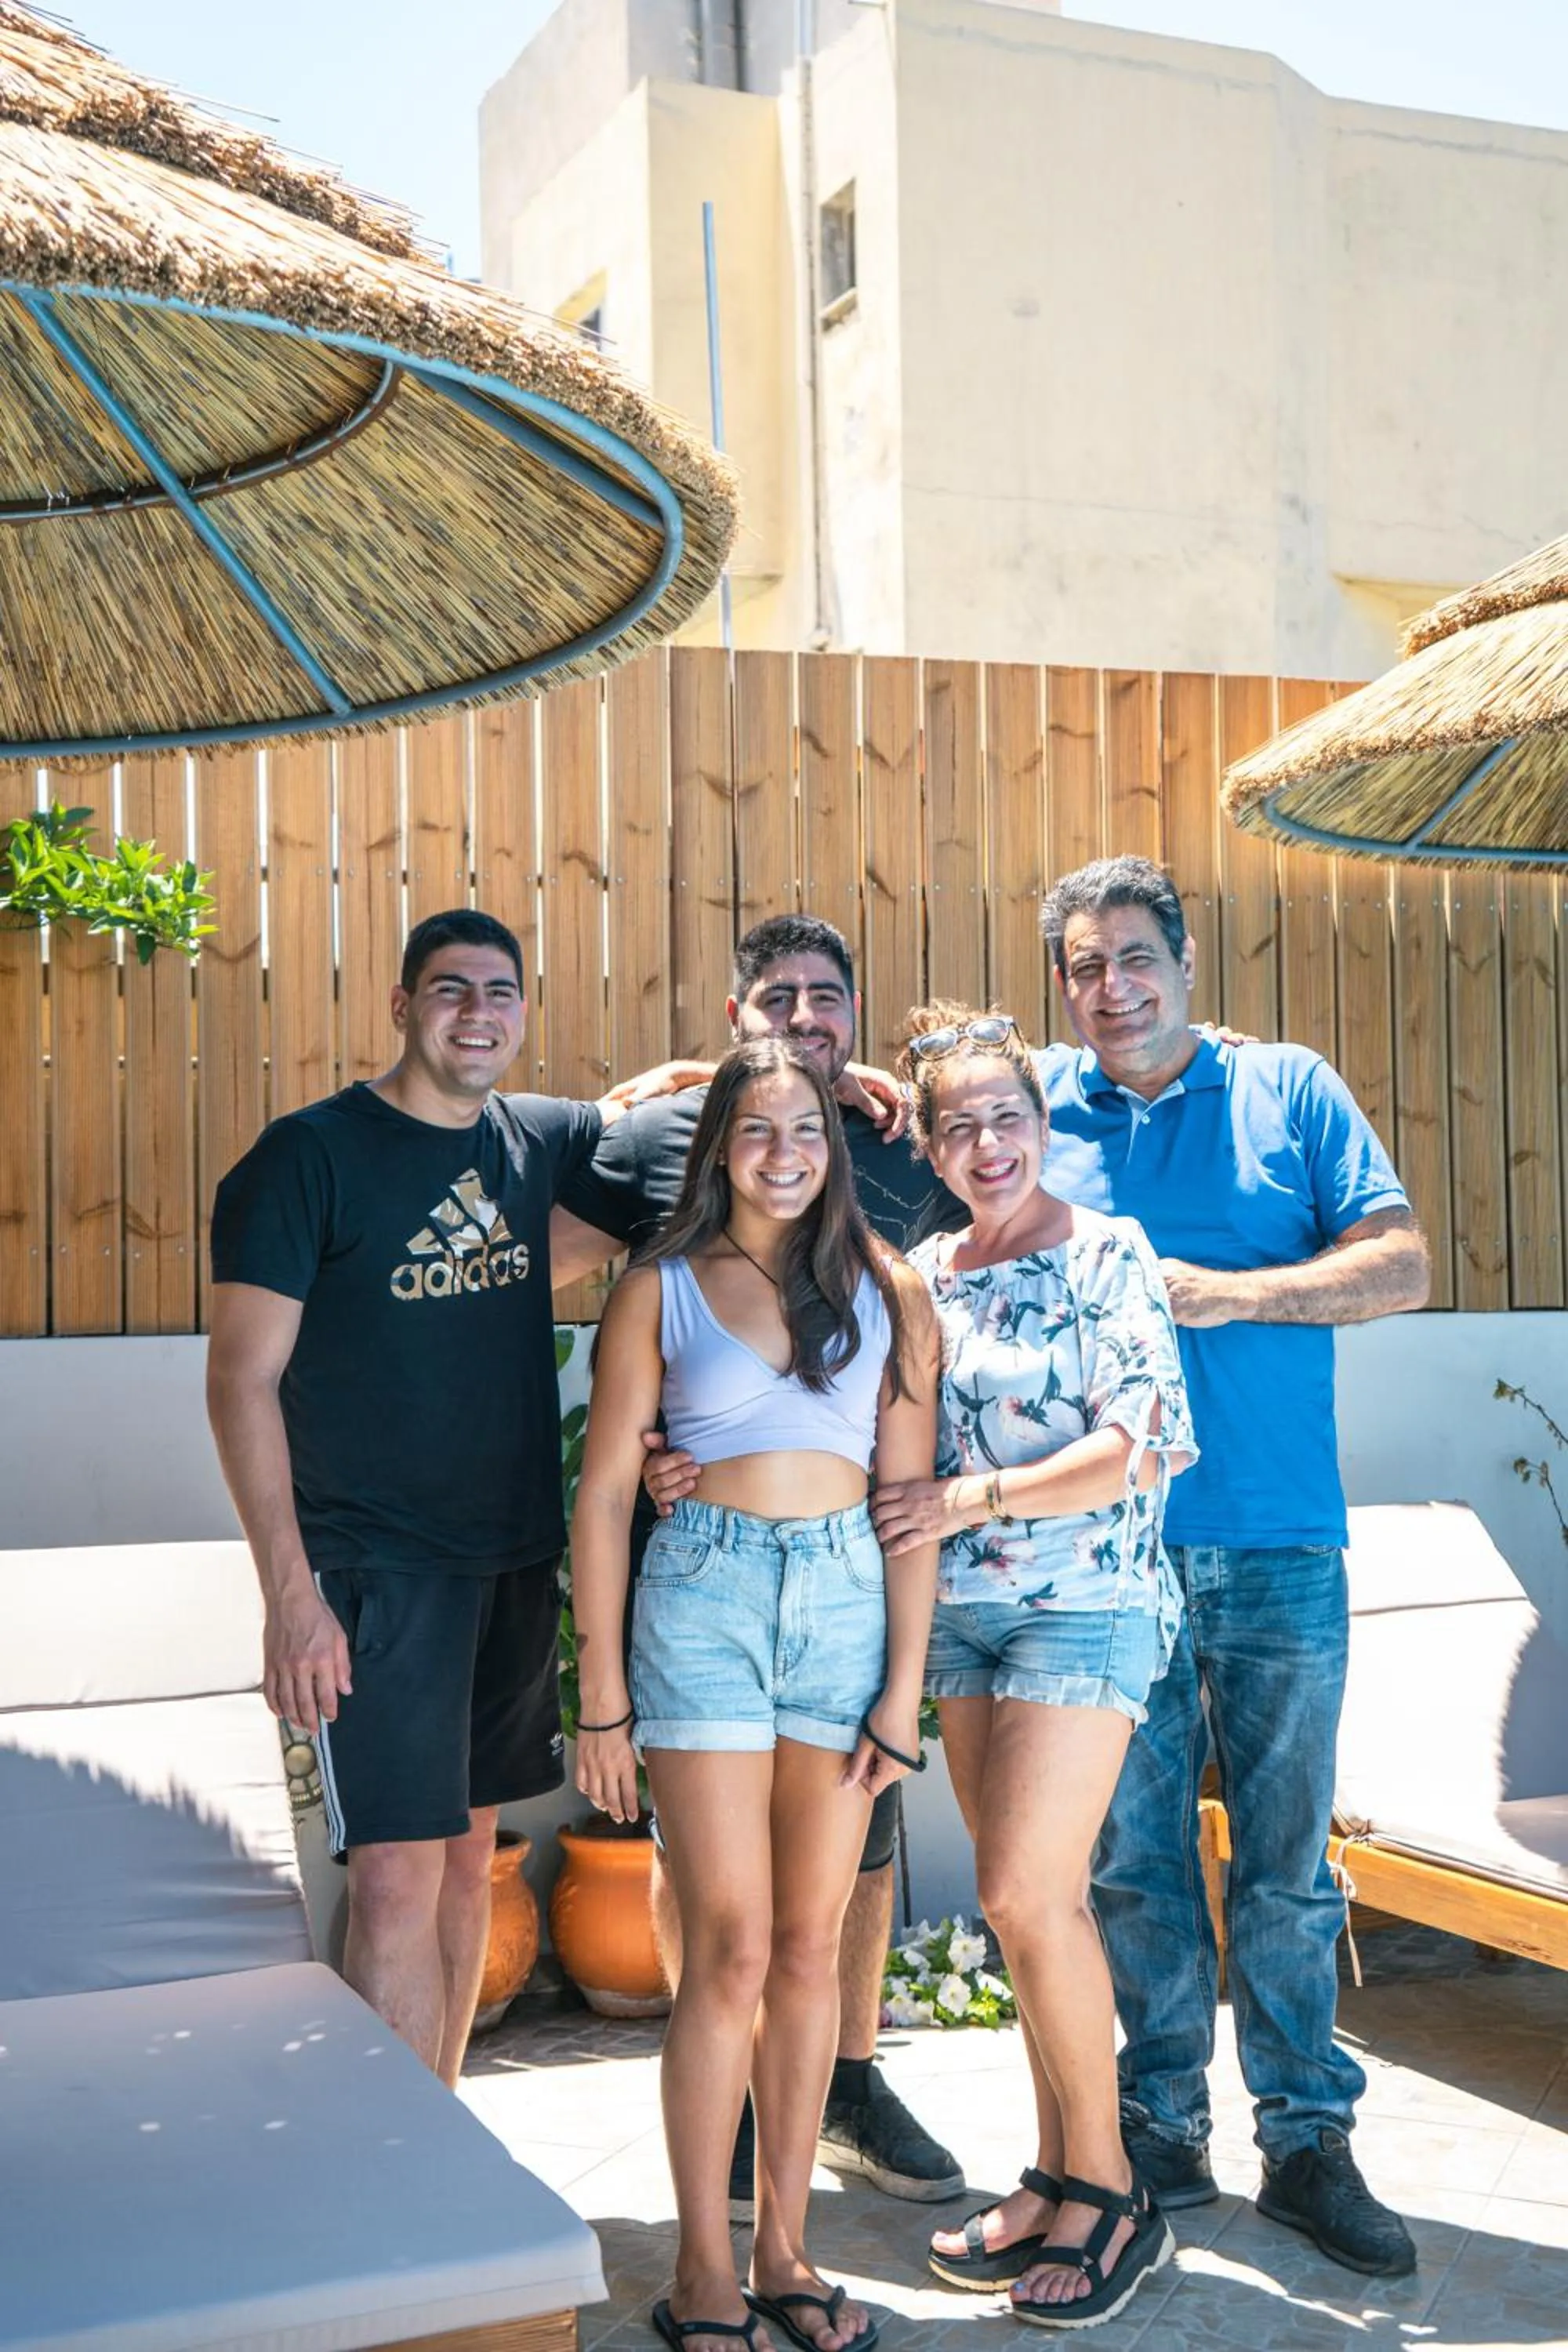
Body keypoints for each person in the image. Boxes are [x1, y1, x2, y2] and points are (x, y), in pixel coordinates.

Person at [1033, 856, 1431, 2278]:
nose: (1113, 986)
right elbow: (902, 1147)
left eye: (1134, 955)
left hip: (1276, 1545)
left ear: (1184, 959)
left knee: (1283, 1863)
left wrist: (1221, 1296)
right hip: (1105, 1559)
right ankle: (1159, 2130)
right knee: (1133, 1861)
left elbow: (1401, 1266)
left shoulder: (1290, 1092)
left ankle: (1308, 2139)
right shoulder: (1038, 1109)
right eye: (1083, 965)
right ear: (1062, 984)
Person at [550, 913, 967, 2209]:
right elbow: (602, 1456)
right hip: (708, 1580)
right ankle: (718, 2167)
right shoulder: (660, 1203)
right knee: (726, 1932)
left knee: (830, 1913)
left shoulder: (905, 1188)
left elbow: (908, 1490)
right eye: (773, 997)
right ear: (736, 1029)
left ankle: (839, 2106)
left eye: (822, 996)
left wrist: (907, 1693)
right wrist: (601, 1698)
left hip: (847, 1589)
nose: (799, 1014)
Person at [207, 909, 618, 2085]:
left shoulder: (534, 1142)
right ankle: (390, 2178)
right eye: (449, 990)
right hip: (369, 1568)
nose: (476, 1012)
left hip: (506, 1561)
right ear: (400, 1006)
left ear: (525, 1012)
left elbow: (690, 1114)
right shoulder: (307, 1159)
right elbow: (240, 1381)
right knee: (393, 1869)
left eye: (500, 992)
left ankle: (442, 2155)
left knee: (471, 1851)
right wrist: (291, 1595)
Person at [869, 1008, 1195, 2329]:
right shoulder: (925, 1274)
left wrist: (975, 1497)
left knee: (1025, 1887)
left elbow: (1139, 1443)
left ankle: (1115, 2198)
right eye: (959, 1125)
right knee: (1021, 1913)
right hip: (966, 1624)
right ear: (934, 1148)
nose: (987, 1142)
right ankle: (1057, 2170)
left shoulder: (1109, 1252)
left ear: (1044, 1126)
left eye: (1009, 1117)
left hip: (1090, 1605)